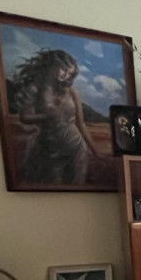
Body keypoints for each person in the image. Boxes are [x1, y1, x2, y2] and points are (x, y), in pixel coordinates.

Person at [13, 49, 101, 185]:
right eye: (64, 70)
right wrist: (46, 115)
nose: (67, 75)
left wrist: (96, 151)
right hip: (48, 148)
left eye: (70, 73)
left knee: (77, 188)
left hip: (76, 148)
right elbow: (24, 117)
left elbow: (81, 124)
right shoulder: (35, 89)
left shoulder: (72, 92)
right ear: (53, 65)